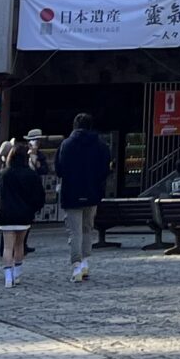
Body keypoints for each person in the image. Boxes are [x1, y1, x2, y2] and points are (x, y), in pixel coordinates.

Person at [55, 113, 111, 283]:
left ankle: (77, 265)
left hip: (71, 193)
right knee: (88, 228)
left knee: (75, 230)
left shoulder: (66, 145)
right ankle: (86, 262)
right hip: (93, 192)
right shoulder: (101, 145)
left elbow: (59, 169)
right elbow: (105, 169)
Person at [0, 135, 44, 286]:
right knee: (19, 245)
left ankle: (8, 277)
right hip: (24, 214)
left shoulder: (4, 174)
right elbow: (39, 196)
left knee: (8, 247)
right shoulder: (31, 174)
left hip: (7, 215)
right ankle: (18, 274)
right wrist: (33, 209)